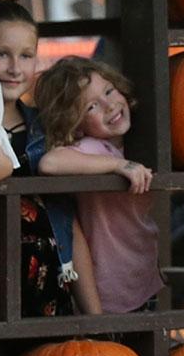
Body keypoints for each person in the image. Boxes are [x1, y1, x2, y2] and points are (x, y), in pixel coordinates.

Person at [0, 0, 101, 316]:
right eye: (1, 53)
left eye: (26, 55)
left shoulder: (45, 130)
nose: (14, 67)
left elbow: (68, 224)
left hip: (44, 290)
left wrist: (95, 317)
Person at [32, 56, 161, 315]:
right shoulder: (92, 149)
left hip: (137, 276)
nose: (109, 105)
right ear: (75, 126)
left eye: (109, 91)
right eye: (91, 106)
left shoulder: (129, 144)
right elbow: (50, 162)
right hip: (109, 285)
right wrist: (116, 166)